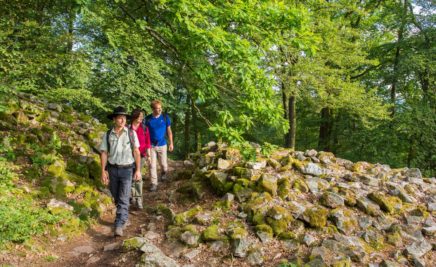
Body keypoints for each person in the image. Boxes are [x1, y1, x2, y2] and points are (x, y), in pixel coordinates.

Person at [100, 106, 141, 237]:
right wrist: (103, 171)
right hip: (112, 169)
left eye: (124, 117)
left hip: (128, 169)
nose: (123, 120)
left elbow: (136, 152)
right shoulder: (107, 134)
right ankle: (123, 214)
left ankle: (119, 224)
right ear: (114, 119)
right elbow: (104, 153)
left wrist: (138, 170)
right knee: (116, 196)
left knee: (123, 198)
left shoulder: (131, 133)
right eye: (119, 117)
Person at [144, 100, 173, 192]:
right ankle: (153, 183)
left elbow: (169, 131)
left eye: (161, 108)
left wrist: (171, 143)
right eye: (157, 109)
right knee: (152, 165)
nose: (160, 110)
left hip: (162, 144)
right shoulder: (147, 119)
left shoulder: (165, 117)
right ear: (152, 109)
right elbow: (144, 133)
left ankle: (163, 172)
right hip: (151, 146)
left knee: (164, 164)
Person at [129, 109, 151, 210]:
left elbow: (148, 143)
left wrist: (149, 156)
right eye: (140, 116)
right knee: (129, 177)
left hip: (141, 156)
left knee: (137, 176)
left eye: (142, 116)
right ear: (135, 116)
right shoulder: (127, 128)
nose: (141, 118)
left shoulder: (145, 128)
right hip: (128, 156)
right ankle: (131, 197)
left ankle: (138, 200)